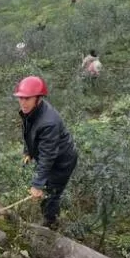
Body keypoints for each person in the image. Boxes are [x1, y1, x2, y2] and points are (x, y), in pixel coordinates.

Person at [14, 76, 78, 229]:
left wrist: (37, 185)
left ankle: (51, 223)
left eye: (27, 98)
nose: (23, 102)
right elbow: (28, 132)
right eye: (20, 98)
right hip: (50, 155)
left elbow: (48, 156)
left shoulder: (49, 122)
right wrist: (28, 151)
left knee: (51, 193)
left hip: (62, 162)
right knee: (45, 186)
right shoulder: (30, 110)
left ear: (38, 98)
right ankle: (49, 216)